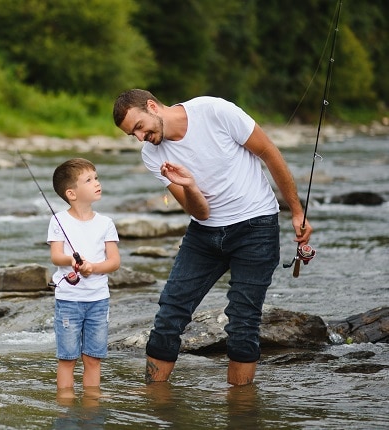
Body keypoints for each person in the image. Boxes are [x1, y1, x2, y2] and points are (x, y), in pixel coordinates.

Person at [112, 89, 313, 386]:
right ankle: (154, 404)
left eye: (140, 127)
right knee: (170, 314)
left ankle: (241, 410)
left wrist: (297, 212)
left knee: (243, 323)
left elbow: (269, 152)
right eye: (133, 135)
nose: (141, 138)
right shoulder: (152, 155)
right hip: (204, 235)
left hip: (256, 228)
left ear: (153, 106)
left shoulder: (214, 111)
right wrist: (190, 186)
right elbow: (201, 213)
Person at [47, 158, 121, 397]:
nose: (97, 183)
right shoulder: (58, 220)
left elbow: (114, 261)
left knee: (93, 358)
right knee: (67, 359)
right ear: (72, 193)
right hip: (69, 300)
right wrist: (72, 261)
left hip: (99, 301)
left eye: (96, 177)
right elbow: (56, 256)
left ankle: (91, 408)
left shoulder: (106, 223)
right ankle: (66, 409)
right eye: (89, 180)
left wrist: (93, 268)